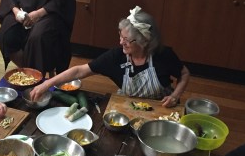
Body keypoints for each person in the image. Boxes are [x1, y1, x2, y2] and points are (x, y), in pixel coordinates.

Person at [30, 6, 190, 107]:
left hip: (161, 108)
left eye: (126, 40)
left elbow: (184, 74)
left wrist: (175, 96)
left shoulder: (164, 55)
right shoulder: (116, 57)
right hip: (128, 107)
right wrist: (47, 83)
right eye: (120, 36)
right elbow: (79, 71)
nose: (121, 42)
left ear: (144, 41)